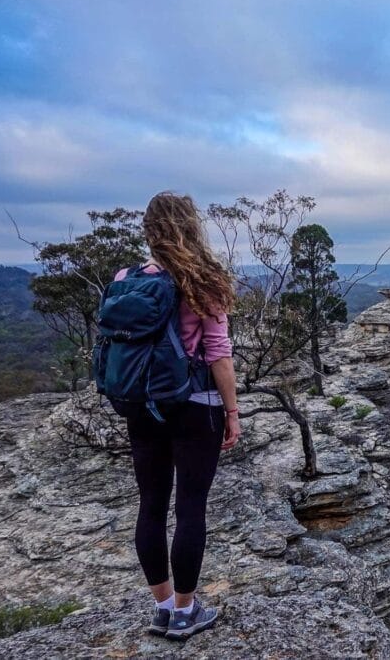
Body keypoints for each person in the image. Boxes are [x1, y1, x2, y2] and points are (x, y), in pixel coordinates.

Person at [115, 191, 241, 640]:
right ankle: (187, 612)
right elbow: (219, 356)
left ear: (149, 230)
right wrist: (232, 410)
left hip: (141, 406)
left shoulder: (127, 277)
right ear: (192, 225)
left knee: (150, 505)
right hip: (194, 407)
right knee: (190, 508)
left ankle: (163, 607)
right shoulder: (203, 279)